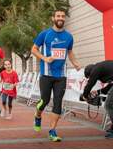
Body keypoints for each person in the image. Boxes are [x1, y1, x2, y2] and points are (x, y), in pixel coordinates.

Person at [31, 9, 81, 142]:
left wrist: (75, 63)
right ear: (53, 18)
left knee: (58, 103)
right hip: (46, 74)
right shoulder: (45, 34)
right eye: (58, 16)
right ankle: (37, 115)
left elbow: (69, 52)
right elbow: (34, 49)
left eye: (63, 16)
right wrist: (44, 58)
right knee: (45, 101)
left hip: (61, 75)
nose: (60, 18)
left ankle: (52, 131)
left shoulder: (69, 37)